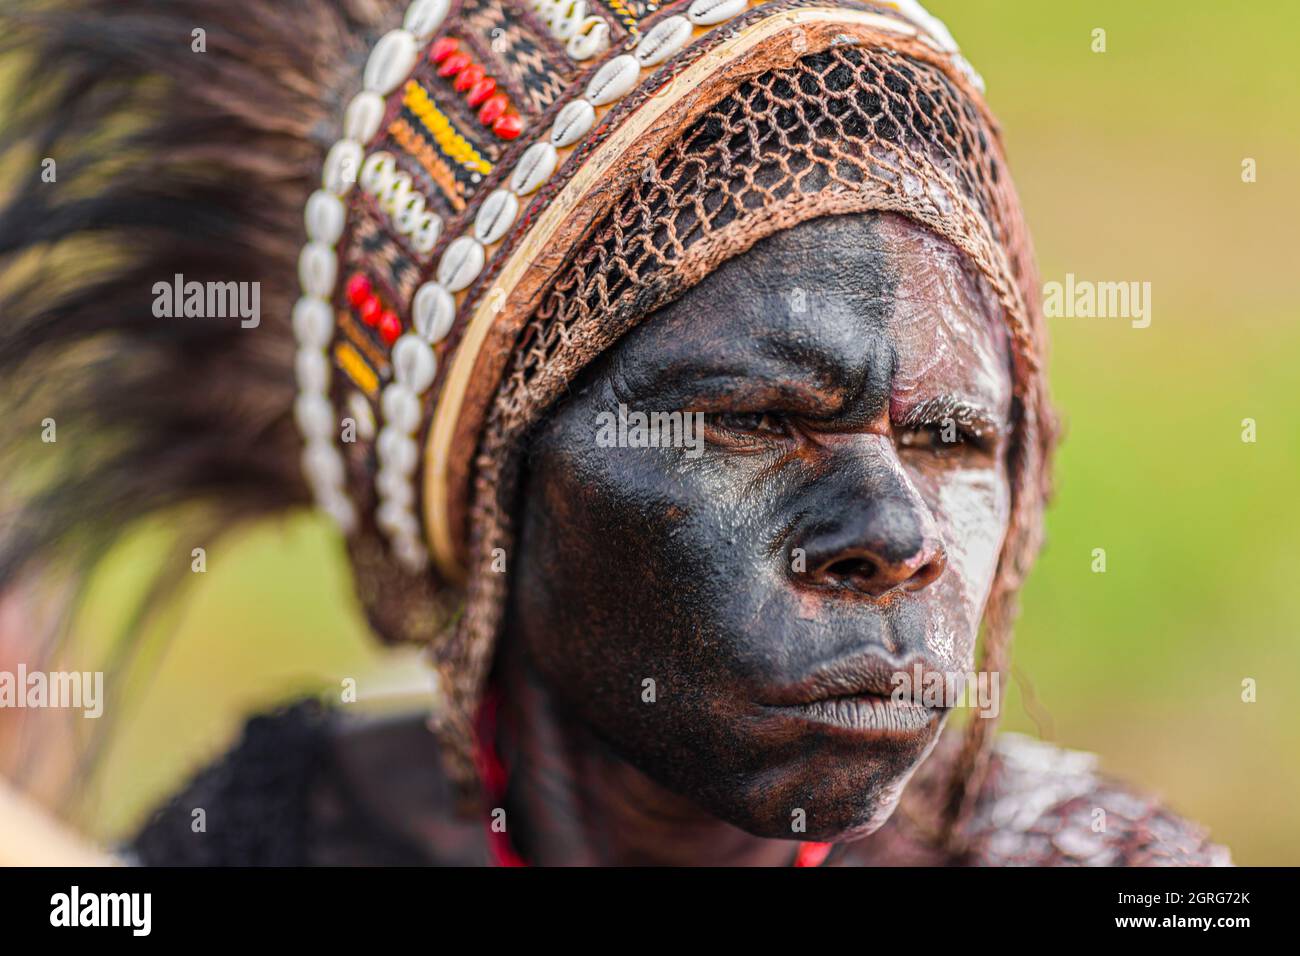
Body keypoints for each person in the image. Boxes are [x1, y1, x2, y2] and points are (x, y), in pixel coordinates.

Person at [0, 0, 1229, 866]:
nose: (894, 536)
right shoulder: (281, 835)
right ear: (493, 491)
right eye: (754, 421)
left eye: (956, 438)